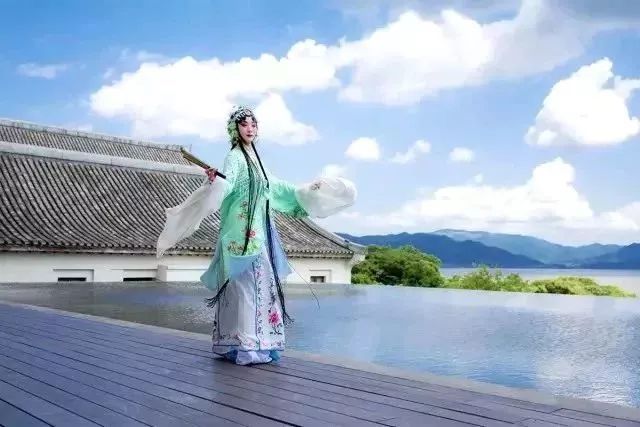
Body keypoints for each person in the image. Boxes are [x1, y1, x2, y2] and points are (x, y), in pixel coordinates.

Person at [156, 105, 355, 366]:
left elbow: (275, 187)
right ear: (235, 129)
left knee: (261, 287)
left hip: (259, 233)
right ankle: (244, 346)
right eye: (244, 124)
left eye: (253, 124)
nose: (250, 129)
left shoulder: (256, 160)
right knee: (244, 290)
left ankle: (260, 343)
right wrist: (215, 181)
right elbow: (228, 184)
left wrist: (306, 190)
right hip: (240, 235)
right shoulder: (235, 158)